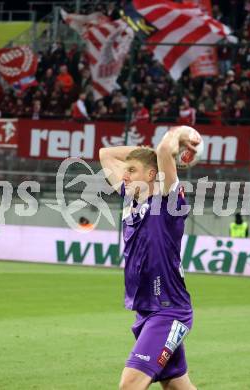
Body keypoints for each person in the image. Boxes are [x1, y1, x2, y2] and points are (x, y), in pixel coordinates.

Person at [99, 126, 198, 390]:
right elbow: (105, 154)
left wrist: (182, 133)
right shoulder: (131, 199)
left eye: (132, 171)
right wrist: (146, 155)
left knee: (129, 385)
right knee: (177, 386)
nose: (125, 176)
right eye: (125, 171)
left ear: (152, 174)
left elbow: (166, 149)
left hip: (168, 310)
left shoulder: (168, 203)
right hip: (146, 310)